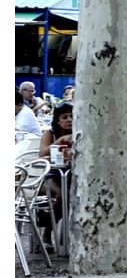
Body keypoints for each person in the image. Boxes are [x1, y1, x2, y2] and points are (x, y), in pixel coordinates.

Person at [38, 102, 73, 250]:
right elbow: (41, 154)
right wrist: (60, 142)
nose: (69, 120)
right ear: (57, 120)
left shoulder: (80, 132)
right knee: (62, 193)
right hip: (49, 176)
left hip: (71, 174)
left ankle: (46, 224)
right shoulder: (50, 133)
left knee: (69, 193)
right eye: (64, 117)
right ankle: (47, 232)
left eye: (72, 116)